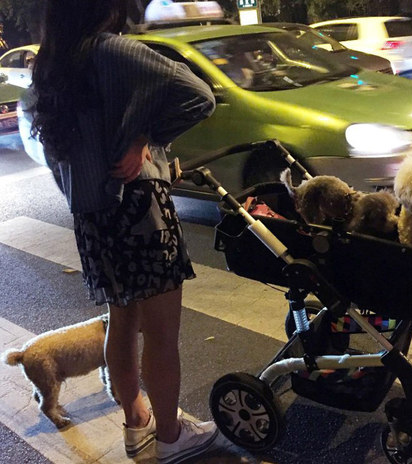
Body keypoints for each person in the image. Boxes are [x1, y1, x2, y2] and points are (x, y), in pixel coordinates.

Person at [28, 0, 217, 463]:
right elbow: (199, 96)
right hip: (138, 209)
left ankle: (139, 423)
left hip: (92, 218)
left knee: (123, 320)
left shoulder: (50, 67)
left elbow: (55, 152)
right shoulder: (114, 51)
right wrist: (143, 139)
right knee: (161, 333)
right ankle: (171, 436)